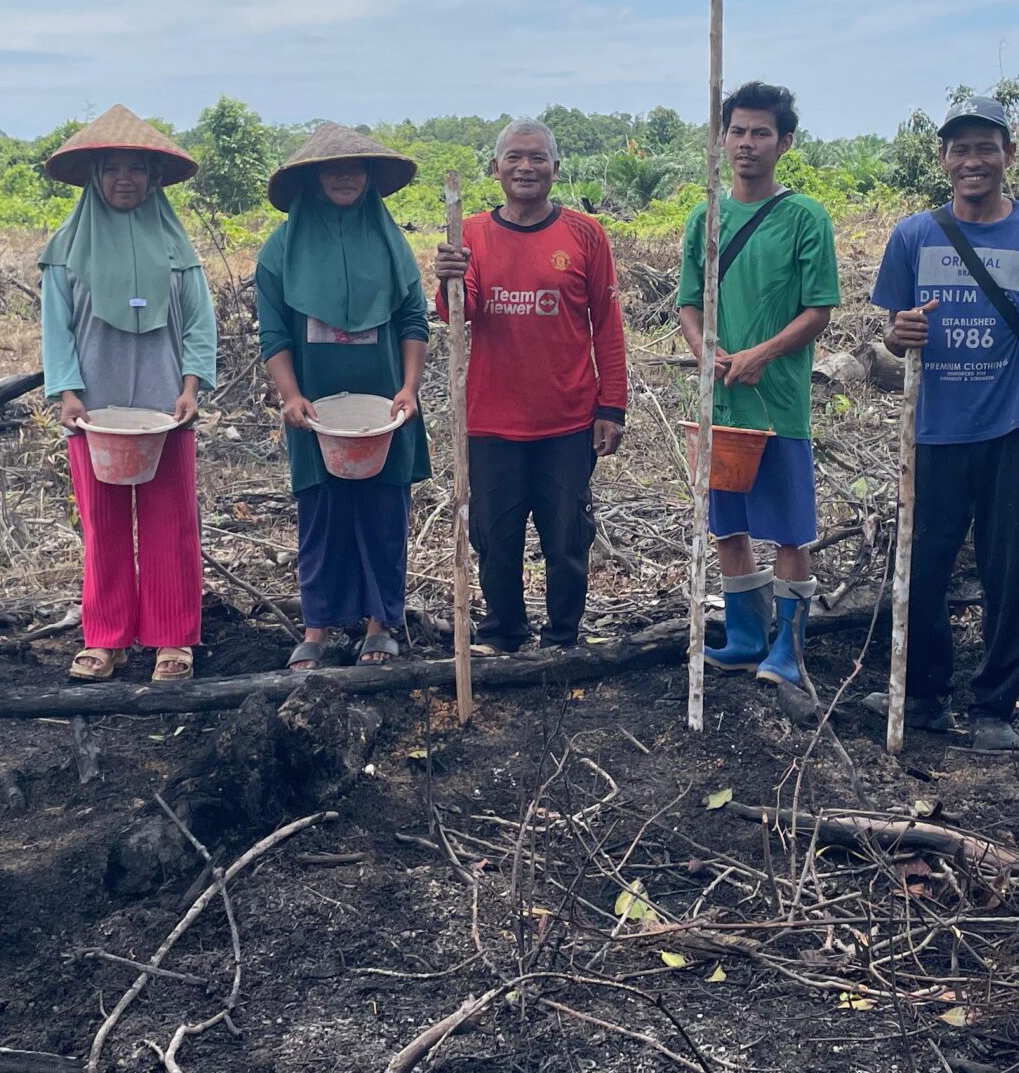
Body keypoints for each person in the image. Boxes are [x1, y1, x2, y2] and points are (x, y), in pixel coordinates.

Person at [866, 91, 1019, 751]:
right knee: (922, 562)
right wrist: (899, 335)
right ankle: (924, 693)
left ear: (1009, 155)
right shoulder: (912, 236)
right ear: (943, 159)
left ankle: (995, 706)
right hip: (935, 428)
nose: (973, 160)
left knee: (1011, 567)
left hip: (1017, 426)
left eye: (986, 147)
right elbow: (896, 335)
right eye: (960, 148)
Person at [431, 119, 631, 652]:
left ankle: (563, 636)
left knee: (567, 536)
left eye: (538, 158)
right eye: (514, 158)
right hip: (493, 419)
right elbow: (460, 312)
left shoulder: (585, 234)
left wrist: (612, 407)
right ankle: (503, 633)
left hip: (568, 417)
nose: (526, 167)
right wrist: (447, 277)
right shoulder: (469, 233)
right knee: (496, 536)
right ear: (495, 169)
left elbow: (607, 326)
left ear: (556, 169)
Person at [38, 105, 218, 683]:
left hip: (168, 410)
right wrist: (66, 392)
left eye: (136, 169)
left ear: (153, 177)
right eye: (113, 168)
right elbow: (55, 329)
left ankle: (173, 639)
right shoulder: (66, 249)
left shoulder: (176, 249)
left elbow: (199, 324)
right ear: (95, 176)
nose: (124, 180)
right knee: (104, 522)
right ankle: (106, 637)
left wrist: (192, 386)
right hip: (93, 412)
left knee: (172, 521)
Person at [677, 81, 841, 694]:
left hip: (779, 406)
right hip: (718, 403)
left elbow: (818, 309)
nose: (747, 144)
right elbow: (689, 303)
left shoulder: (805, 217)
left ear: (785, 142)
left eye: (761, 133)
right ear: (723, 138)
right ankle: (745, 635)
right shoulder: (706, 218)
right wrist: (706, 350)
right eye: (738, 131)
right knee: (728, 523)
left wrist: (764, 354)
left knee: (791, 529)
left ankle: (788, 649)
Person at [256, 124, 432, 670]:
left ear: (371, 178)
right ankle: (318, 626)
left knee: (383, 512)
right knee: (322, 513)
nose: (344, 177)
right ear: (310, 178)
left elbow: (412, 319)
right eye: (332, 169)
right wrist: (290, 395)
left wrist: (408, 389)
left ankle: (381, 623)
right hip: (314, 412)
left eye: (355, 169)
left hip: (385, 408)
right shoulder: (281, 250)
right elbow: (275, 333)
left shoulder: (389, 241)